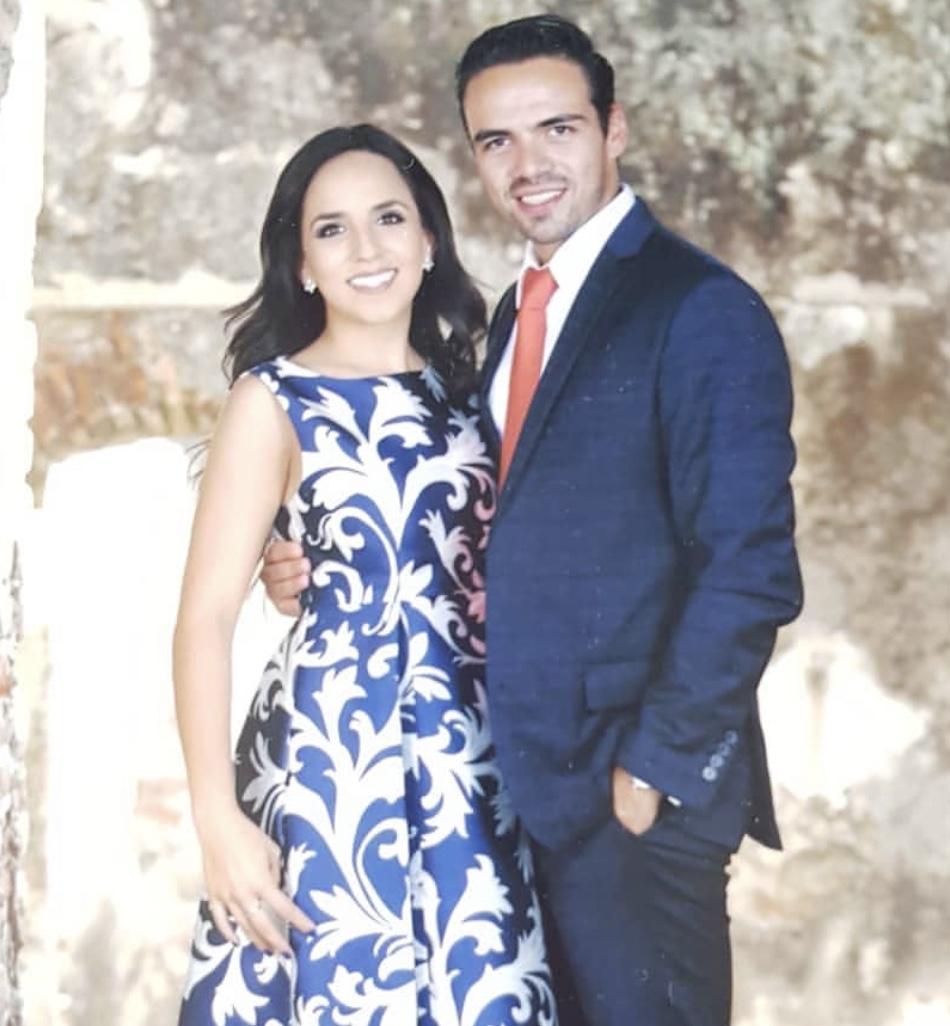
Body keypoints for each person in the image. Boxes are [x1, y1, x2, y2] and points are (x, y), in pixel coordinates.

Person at [264, 15, 802, 1026]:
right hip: (513, 791)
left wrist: (653, 769)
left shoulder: (698, 307)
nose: (528, 165)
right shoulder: (517, 311)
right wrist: (315, 560)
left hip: (630, 799)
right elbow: (498, 519)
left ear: (614, 129)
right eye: (496, 141)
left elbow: (751, 569)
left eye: (557, 129)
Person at [173, 123, 558, 1026]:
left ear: (428, 239)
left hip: (477, 765)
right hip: (326, 766)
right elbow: (202, 620)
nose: (367, 248)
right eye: (332, 229)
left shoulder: (481, 395)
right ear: (301, 264)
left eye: (388, 218)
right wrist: (217, 821)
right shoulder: (271, 399)